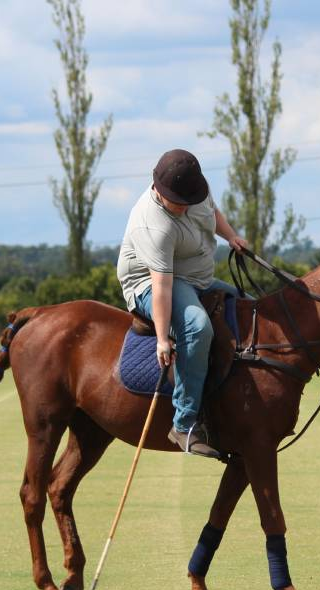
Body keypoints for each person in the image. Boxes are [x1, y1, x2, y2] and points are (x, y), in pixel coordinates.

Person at [116, 149, 248, 460]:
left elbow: (211, 213)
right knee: (197, 327)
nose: (181, 207)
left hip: (196, 278)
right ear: (159, 190)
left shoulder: (194, 190)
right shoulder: (152, 224)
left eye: (186, 202)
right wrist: (163, 339)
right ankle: (185, 423)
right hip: (150, 284)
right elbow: (161, 286)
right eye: (176, 202)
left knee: (249, 309)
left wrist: (232, 237)